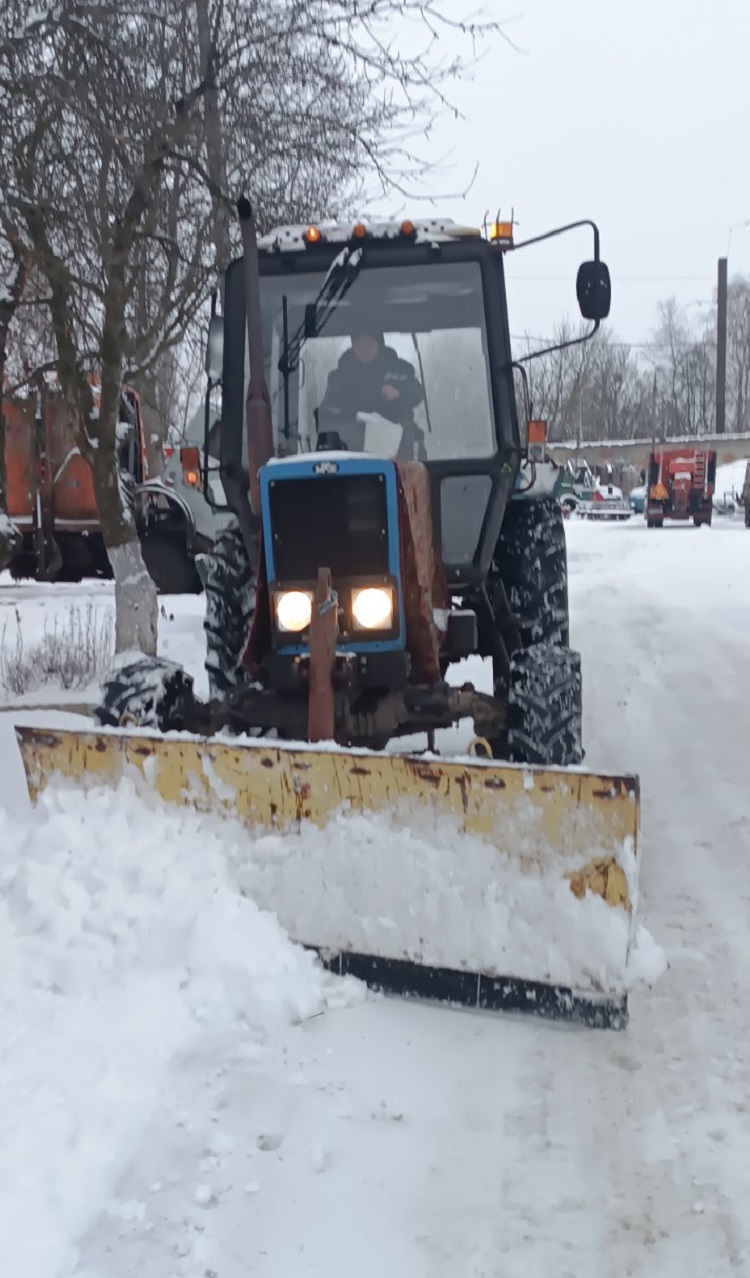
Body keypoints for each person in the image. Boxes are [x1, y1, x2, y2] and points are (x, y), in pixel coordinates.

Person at [317, 331, 426, 459]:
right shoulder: (339, 377)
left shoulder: (400, 369)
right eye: (358, 344)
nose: (363, 349)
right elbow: (326, 412)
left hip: (400, 449)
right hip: (353, 451)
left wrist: (399, 392)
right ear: (352, 345)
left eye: (368, 343)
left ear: (378, 343)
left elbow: (418, 393)